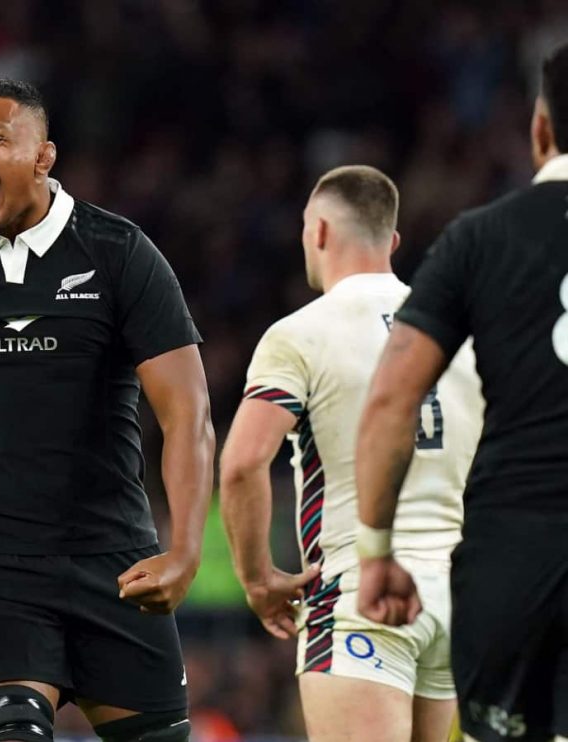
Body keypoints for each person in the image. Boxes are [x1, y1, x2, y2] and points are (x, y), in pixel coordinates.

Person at [0, 79, 213, 742]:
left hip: (116, 566)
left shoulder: (119, 254)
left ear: (43, 157)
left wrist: (187, 550)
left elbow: (188, 414)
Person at [218, 166, 482, 741]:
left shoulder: (301, 333)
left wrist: (258, 578)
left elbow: (242, 463)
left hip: (360, 590)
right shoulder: (463, 335)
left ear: (316, 232)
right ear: (391, 242)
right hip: (457, 597)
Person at [356, 43, 568, 742]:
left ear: (541, 130)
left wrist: (378, 550)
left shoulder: (477, 240)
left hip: (513, 553)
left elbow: (391, 399)